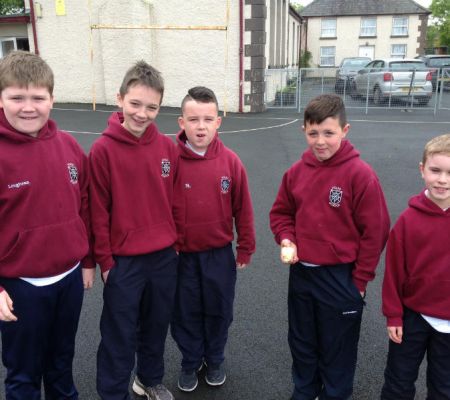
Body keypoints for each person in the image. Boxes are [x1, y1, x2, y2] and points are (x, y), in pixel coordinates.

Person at [269, 93, 390, 400]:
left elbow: (375, 232)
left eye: (328, 133)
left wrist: (359, 281)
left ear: (344, 131)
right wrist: (287, 237)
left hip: (340, 278)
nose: (320, 141)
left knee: (337, 348)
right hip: (302, 275)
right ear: (304, 131)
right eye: (313, 133)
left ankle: (335, 394)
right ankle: (305, 391)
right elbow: (281, 213)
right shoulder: (295, 173)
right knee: (302, 342)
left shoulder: (360, 175)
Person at [0, 50, 95, 399]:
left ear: (52, 99)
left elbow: (84, 206)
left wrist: (87, 260)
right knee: (24, 374)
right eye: (17, 97)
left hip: (68, 279)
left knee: (61, 362)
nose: (28, 107)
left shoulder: (69, 146)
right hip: (19, 287)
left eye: (38, 98)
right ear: (1, 99)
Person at [89, 61, 178, 400]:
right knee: (119, 334)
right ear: (120, 99)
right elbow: (97, 211)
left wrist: (175, 245)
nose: (142, 113)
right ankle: (113, 393)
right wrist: (105, 262)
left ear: (160, 106)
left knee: (156, 326)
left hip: (163, 257)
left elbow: (174, 202)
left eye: (151, 107)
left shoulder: (167, 148)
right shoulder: (103, 150)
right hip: (124, 262)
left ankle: (149, 380)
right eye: (135, 104)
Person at [170, 86, 255, 392]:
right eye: (193, 119)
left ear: (218, 121)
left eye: (208, 119)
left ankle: (215, 358)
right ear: (182, 122)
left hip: (218, 255)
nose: (201, 126)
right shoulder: (170, 161)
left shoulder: (231, 162)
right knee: (184, 311)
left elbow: (243, 208)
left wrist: (245, 246)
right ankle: (191, 360)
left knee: (219, 310)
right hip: (181, 257)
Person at [381, 133, 450, 400]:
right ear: (422, 170)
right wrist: (393, 315)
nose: (442, 179)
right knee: (398, 384)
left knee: (444, 389)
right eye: (435, 170)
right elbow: (394, 272)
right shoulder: (408, 221)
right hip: (413, 318)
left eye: (449, 173)